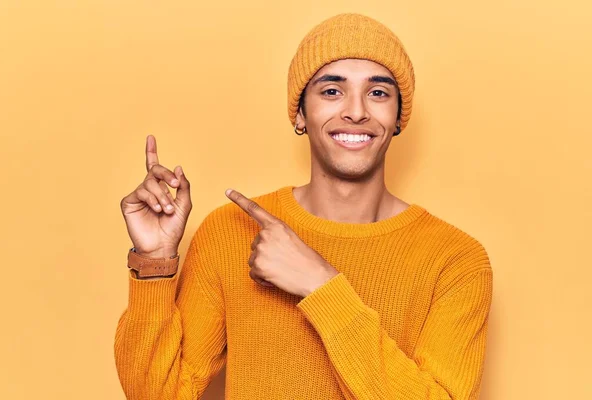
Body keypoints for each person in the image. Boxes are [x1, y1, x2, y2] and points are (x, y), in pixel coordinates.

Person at [114, 13, 493, 400]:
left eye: (378, 93)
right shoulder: (230, 232)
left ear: (398, 117)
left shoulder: (456, 259)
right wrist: (154, 263)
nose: (357, 111)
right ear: (299, 113)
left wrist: (321, 285)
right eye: (332, 91)